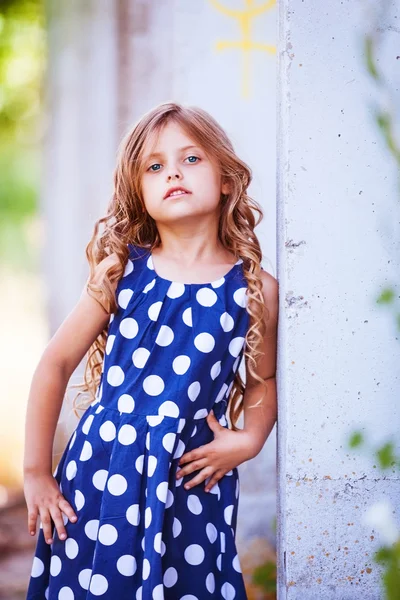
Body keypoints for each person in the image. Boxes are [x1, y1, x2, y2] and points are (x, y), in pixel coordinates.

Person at [24, 102, 278, 600]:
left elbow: (261, 382)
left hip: (190, 477)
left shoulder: (254, 289)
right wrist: (35, 472)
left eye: (191, 159)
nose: (174, 174)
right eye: (155, 167)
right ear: (139, 191)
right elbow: (54, 364)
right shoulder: (120, 271)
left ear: (226, 178)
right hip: (102, 471)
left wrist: (250, 440)